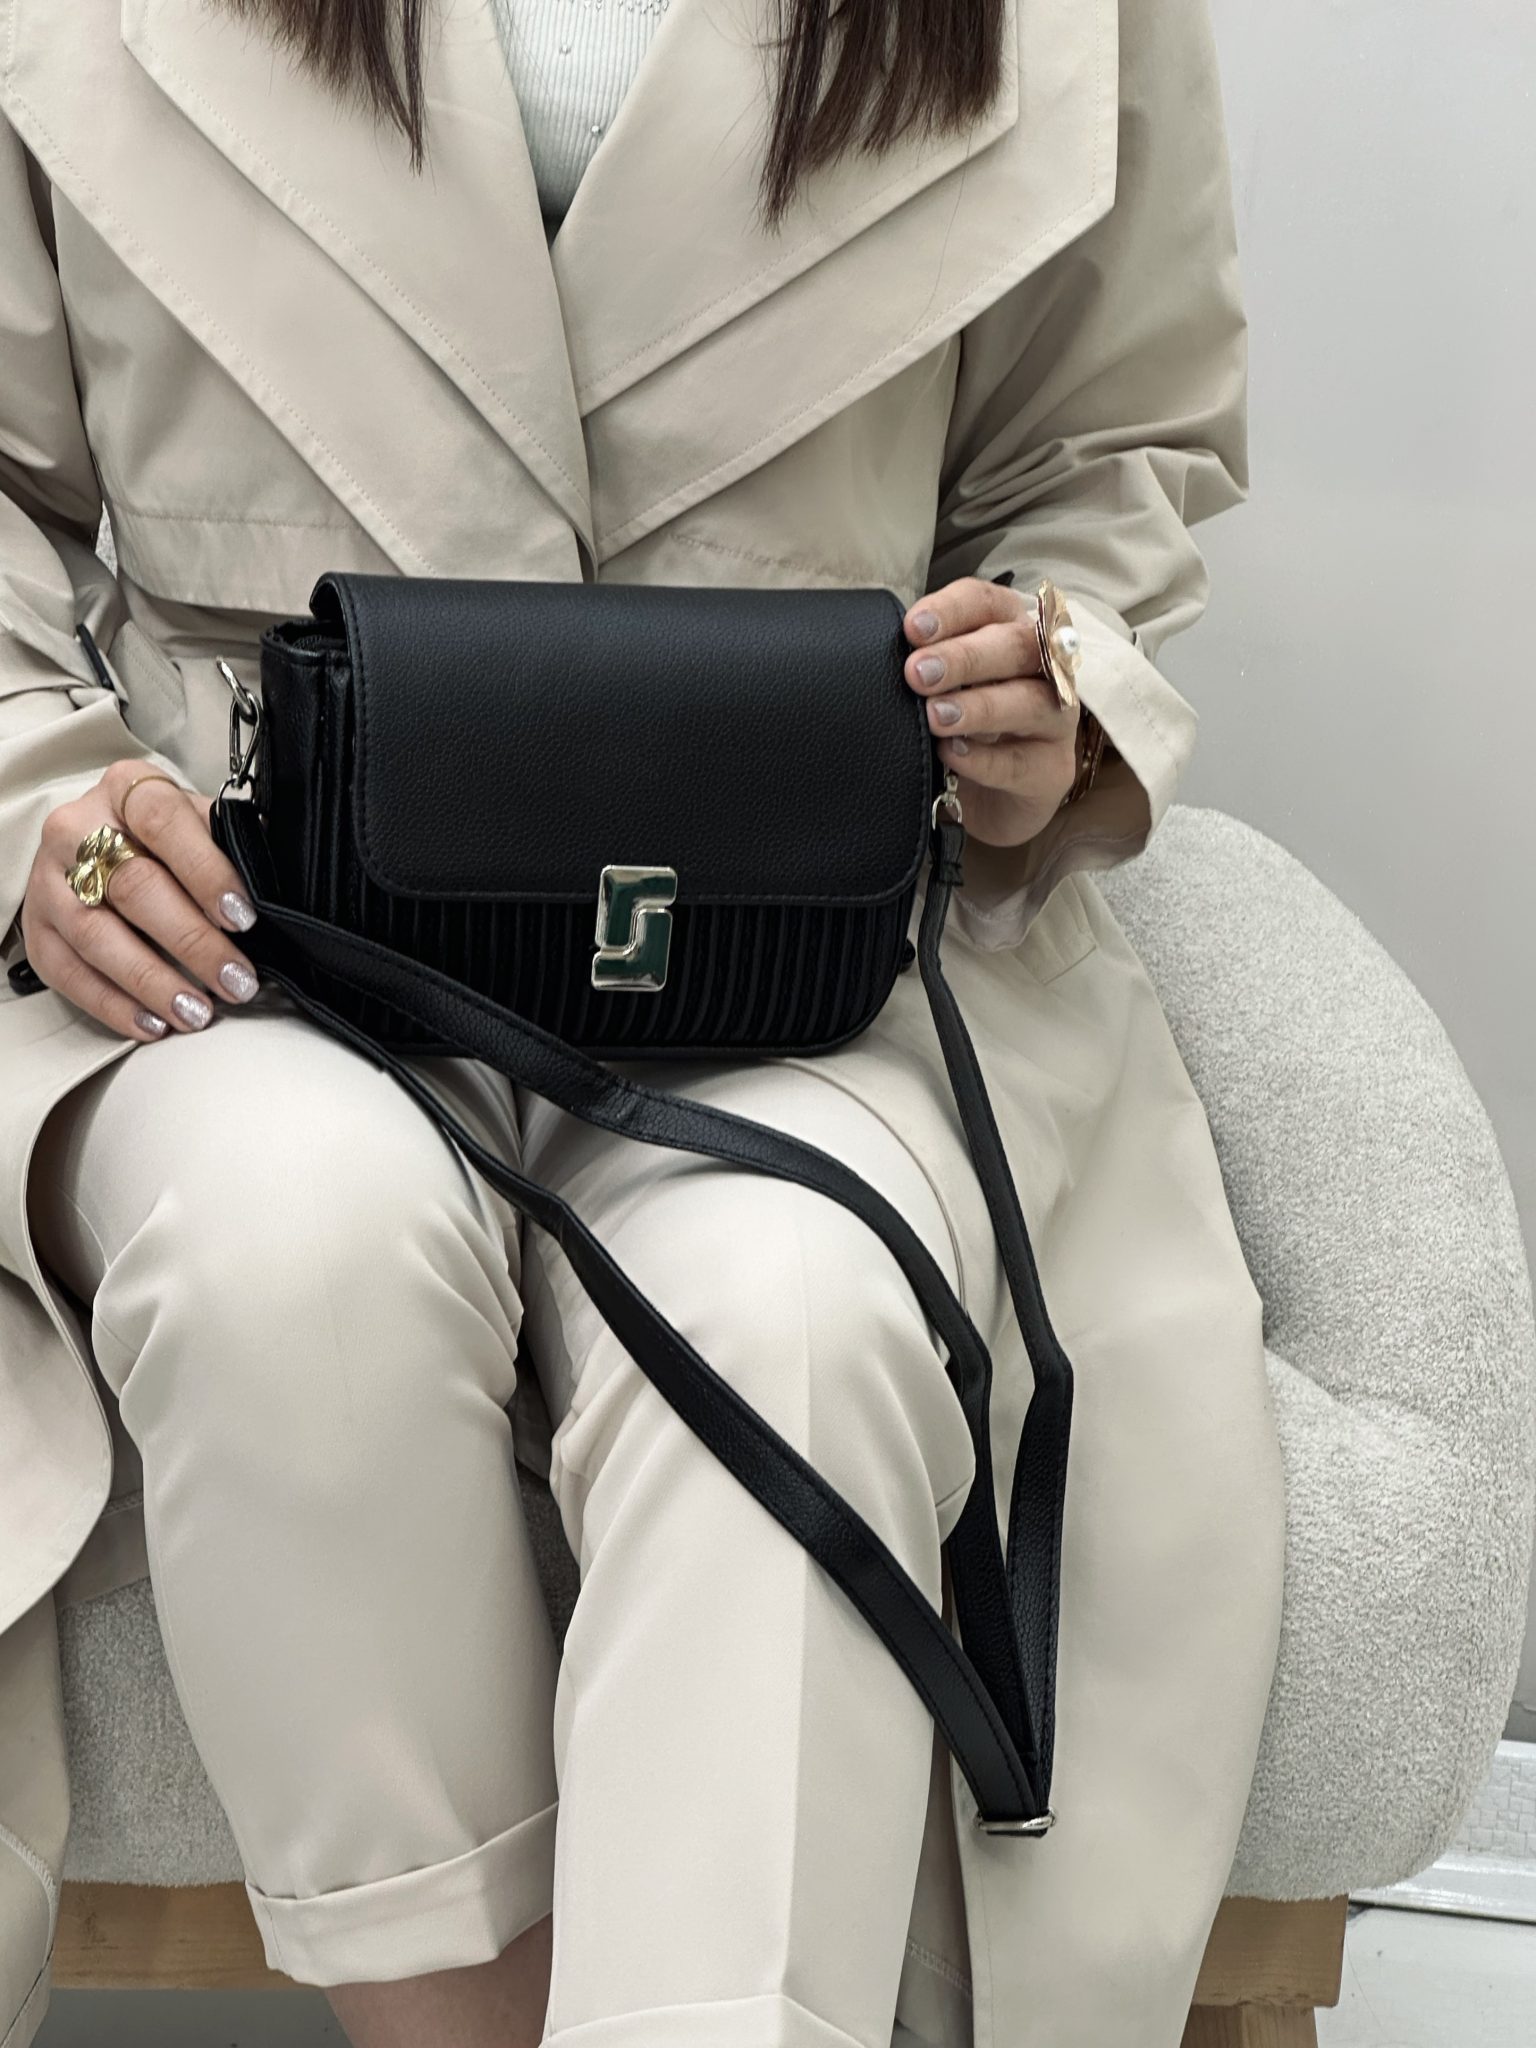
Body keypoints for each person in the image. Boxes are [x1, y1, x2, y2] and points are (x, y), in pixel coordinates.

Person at [0, 2, 1288, 2045]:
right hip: (254, 915)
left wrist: (1051, 691)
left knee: (805, 1314)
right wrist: (38, 794)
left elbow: (1101, 458)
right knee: (281, 1245)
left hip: (793, 933)